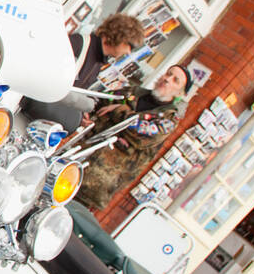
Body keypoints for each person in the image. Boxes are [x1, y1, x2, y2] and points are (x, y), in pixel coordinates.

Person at [74, 63, 192, 213]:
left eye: (176, 80)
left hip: (96, 184)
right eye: (168, 73)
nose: (168, 79)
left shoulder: (169, 119)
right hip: (76, 157)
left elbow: (141, 134)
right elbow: (102, 100)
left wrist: (118, 110)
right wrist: (86, 113)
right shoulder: (133, 92)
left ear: (179, 93)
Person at [26, 11, 144, 130]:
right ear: (120, 37)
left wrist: (79, 113)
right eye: (130, 46)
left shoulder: (98, 63)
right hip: (28, 106)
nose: (129, 52)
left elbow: (75, 90)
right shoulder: (79, 44)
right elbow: (44, 73)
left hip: (39, 121)